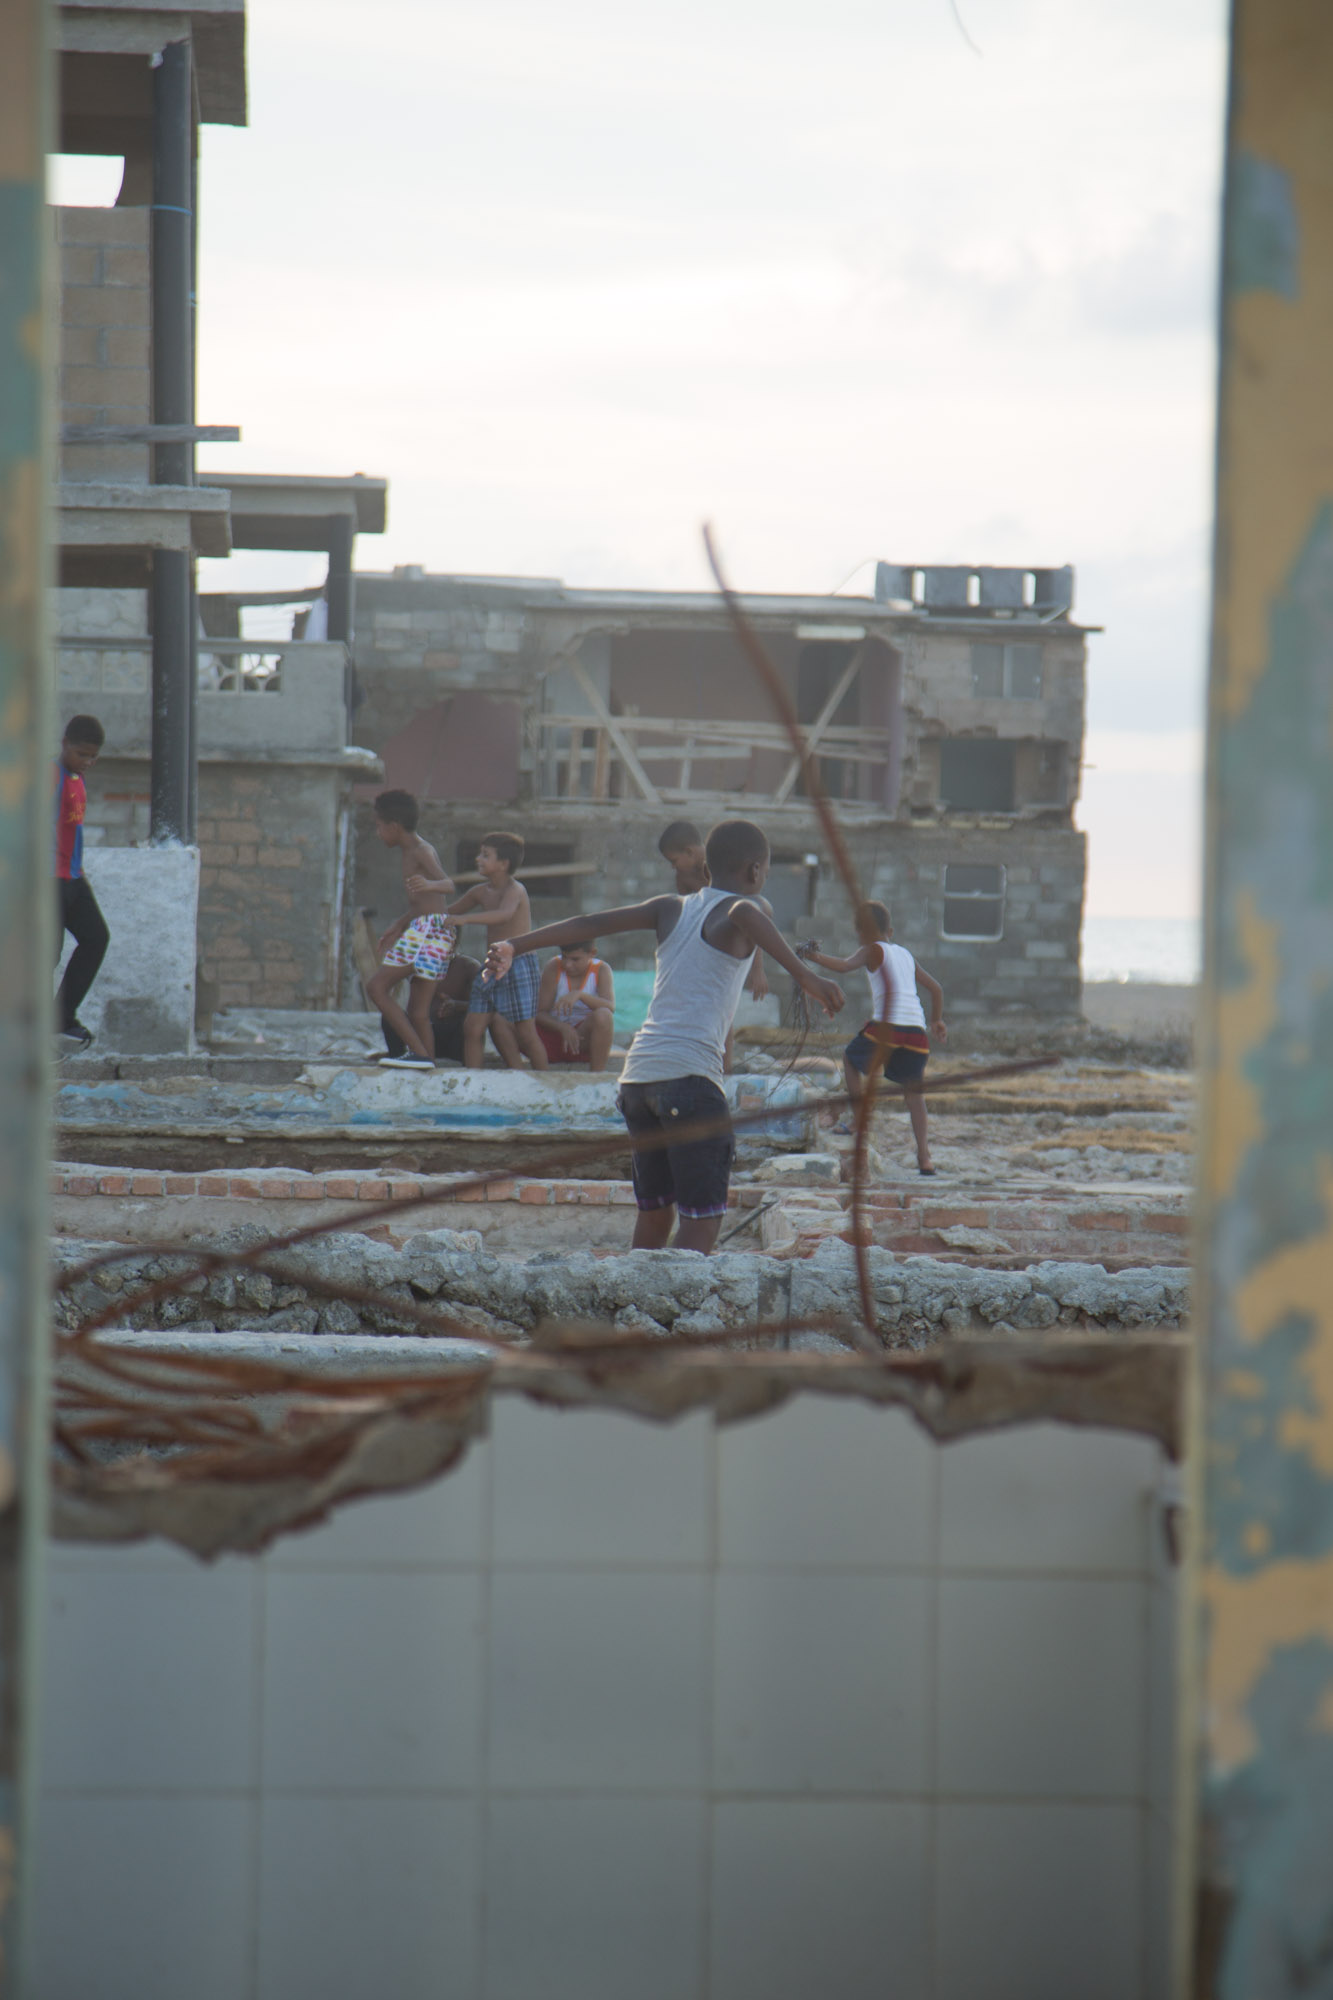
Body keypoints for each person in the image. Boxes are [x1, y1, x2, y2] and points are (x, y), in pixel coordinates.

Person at [484, 818, 844, 1253]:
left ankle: (639, 1305)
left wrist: (513, 945)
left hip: (639, 1081)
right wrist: (807, 978)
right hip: (689, 1081)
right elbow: (751, 911)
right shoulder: (742, 909)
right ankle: (679, 1314)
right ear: (754, 872)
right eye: (764, 872)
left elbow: (589, 920)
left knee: (655, 1213)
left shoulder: (670, 907)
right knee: (702, 1220)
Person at [798, 899, 946, 1174]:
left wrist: (811, 956)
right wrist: (937, 1021)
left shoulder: (870, 950)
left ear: (861, 932)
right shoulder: (905, 954)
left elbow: (842, 966)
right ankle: (925, 1158)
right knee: (914, 1094)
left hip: (888, 1026)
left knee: (850, 1060)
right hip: (916, 1032)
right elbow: (935, 989)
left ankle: (858, 1121)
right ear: (890, 930)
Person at [658, 817, 769, 1069]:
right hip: (702, 948)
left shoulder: (728, 863)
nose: (675, 868)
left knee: (723, 1011)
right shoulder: (685, 881)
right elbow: (688, 919)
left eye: (675, 862)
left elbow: (753, 921)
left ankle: (724, 1070)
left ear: (690, 852)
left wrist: (757, 968)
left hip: (731, 949)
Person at [432, 831, 548, 1071]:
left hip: (518, 963)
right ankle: (474, 1081)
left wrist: (464, 920)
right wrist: (426, 910)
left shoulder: (515, 890)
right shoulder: (479, 892)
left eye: (486, 855)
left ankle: (545, 1082)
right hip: (491, 965)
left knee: (526, 1032)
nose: (478, 859)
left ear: (504, 864)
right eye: (480, 854)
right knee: (472, 1027)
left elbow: (502, 915)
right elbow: (448, 913)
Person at [365, 790, 458, 1069]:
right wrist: (399, 924)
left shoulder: (421, 851)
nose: (378, 833)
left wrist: (430, 884)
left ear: (393, 826)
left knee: (377, 987)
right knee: (418, 1012)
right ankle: (426, 1065)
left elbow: (448, 885)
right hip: (428, 928)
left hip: (429, 932)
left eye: (379, 826)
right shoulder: (409, 851)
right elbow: (423, 904)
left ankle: (417, 1052)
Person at [54, 714, 110, 1050]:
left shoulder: (77, 778)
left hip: (73, 878)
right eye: (81, 754)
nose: (87, 761)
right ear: (65, 745)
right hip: (47, 880)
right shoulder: (50, 776)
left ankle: (60, 1017)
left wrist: (79, 870)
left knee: (96, 938)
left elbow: (72, 831)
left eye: (93, 756)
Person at [375, 951, 481, 1065]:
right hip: (424, 1036)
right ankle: (398, 1057)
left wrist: (457, 1006)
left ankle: (471, 1063)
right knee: (389, 1018)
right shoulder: (417, 964)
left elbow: (486, 1005)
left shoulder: (468, 966)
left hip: (455, 1036)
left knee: (471, 1020)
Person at [534, 942, 615, 1070]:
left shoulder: (601, 969)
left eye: (575, 959)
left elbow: (610, 1007)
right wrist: (562, 1027)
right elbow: (539, 1013)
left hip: (581, 1039)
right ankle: (520, 1072)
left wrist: (580, 995)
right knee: (504, 1021)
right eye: (564, 957)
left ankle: (596, 1076)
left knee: (604, 1015)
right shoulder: (554, 966)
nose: (568, 964)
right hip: (553, 1035)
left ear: (592, 953)